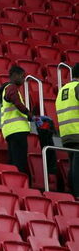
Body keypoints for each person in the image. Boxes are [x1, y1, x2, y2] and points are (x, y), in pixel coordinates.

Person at [0, 65, 45, 176]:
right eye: (22, 76)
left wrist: (31, 116)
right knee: (19, 163)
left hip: (10, 131)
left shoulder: (8, 89)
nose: (23, 79)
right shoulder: (11, 88)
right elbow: (17, 102)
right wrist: (31, 115)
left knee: (14, 162)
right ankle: (20, 184)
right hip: (17, 131)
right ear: (14, 75)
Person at [56, 64, 79, 197]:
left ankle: (72, 193)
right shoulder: (77, 87)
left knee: (73, 164)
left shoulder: (63, 90)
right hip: (77, 132)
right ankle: (77, 194)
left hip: (66, 134)